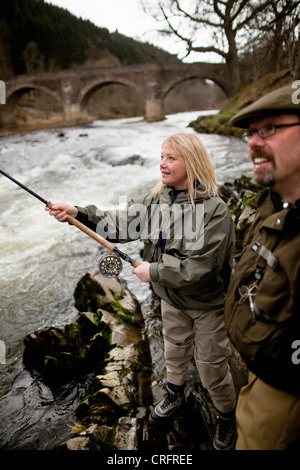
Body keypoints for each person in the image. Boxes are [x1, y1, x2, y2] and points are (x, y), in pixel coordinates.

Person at [46, 132, 237, 450]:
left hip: (206, 305)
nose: (162, 163)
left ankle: (226, 418)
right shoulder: (156, 199)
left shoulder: (215, 211)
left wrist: (154, 271)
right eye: (162, 156)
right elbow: (119, 223)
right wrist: (78, 213)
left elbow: (201, 269)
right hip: (169, 300)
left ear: (193, 162)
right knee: (174, 352)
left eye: (171, 158)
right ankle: (175, 395)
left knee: (212, 368)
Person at [224, 83, 300, 450]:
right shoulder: (272, 202)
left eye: (269, 129)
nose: (253, 142)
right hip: (258, 372)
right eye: (251, 132)